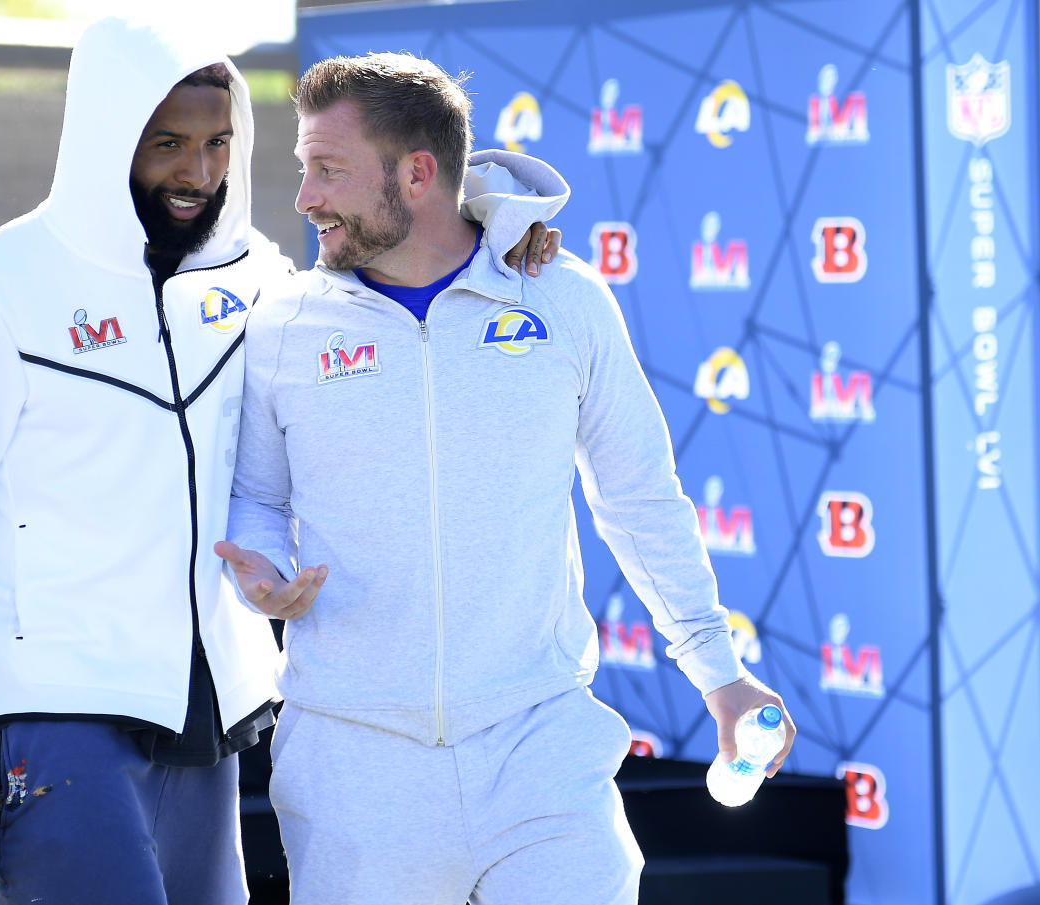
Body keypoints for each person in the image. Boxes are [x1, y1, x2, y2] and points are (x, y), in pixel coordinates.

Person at [0, 16, 557, 905]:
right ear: (104, 138)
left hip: (213, 717)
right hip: (55, 713)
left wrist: (503, 224)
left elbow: (394, 249)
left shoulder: (257, 279)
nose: (196, 174)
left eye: (217, 144)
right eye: (166, 145)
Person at [215, 52, 797, 905]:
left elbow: (637, 498)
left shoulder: (560, 298)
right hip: (354, 768)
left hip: (541, 749)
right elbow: (257, 497)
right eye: (305, 169)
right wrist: (262, 570)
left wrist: (718, 673)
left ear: (416, 174)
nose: (304, 197)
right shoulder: (281, 324)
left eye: (327, 170)